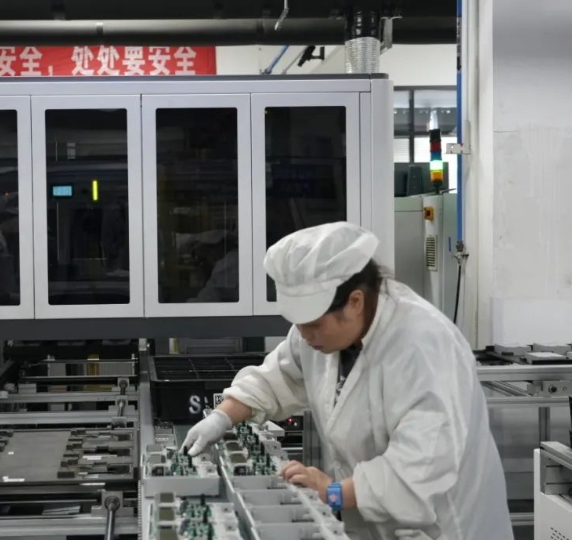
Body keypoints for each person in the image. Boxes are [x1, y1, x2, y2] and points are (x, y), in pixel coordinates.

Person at [183, 222, 513, 540]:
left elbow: (422, 465)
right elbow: (278, 376)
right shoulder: (320, 333)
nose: (304, 335)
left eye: (313, 324)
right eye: (298, 323)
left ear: (355, 302)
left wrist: (334, 492)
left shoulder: (423, 346)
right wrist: (221, 417)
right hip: (374, 523)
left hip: (441, 528)